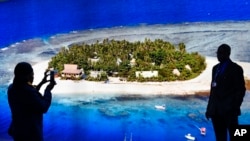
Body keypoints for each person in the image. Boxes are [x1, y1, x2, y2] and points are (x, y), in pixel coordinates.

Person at [206, 44, 246, 141]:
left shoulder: (236, 69)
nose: (219, 55)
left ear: (228, 54)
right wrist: (209, 109)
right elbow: (213, 91)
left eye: (221, 53)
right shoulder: (215, 69)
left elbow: (240, 90)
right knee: (220, 138)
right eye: (218, 53)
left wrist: (234, 107)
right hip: (216, 112)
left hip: (229, 112)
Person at [7, 62, 56, 141]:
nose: (32, 76)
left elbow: (29, 97)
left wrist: (41, 83)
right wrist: (48, 90)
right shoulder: (27, 92)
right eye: (32, 74)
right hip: (30, 134)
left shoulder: (11, 88)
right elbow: (43, 107)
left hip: (17, 131)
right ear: (26, 76)